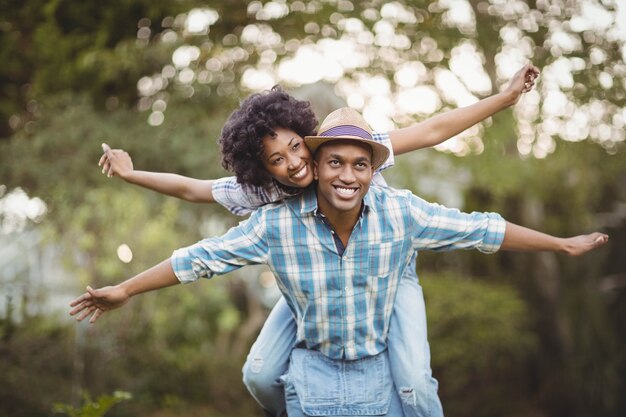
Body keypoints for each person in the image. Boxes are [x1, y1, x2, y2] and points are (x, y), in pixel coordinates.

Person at [72, 107, 609, 417]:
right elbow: (198, 241)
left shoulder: (392, 203)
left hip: (387, 271)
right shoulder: (267, 208)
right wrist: (125, 273)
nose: (293, 165)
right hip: (300, 281)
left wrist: (561, 243)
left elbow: (471, 209)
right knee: (259, 373)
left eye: (296, 152)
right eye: (280, 161)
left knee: (417, 385)